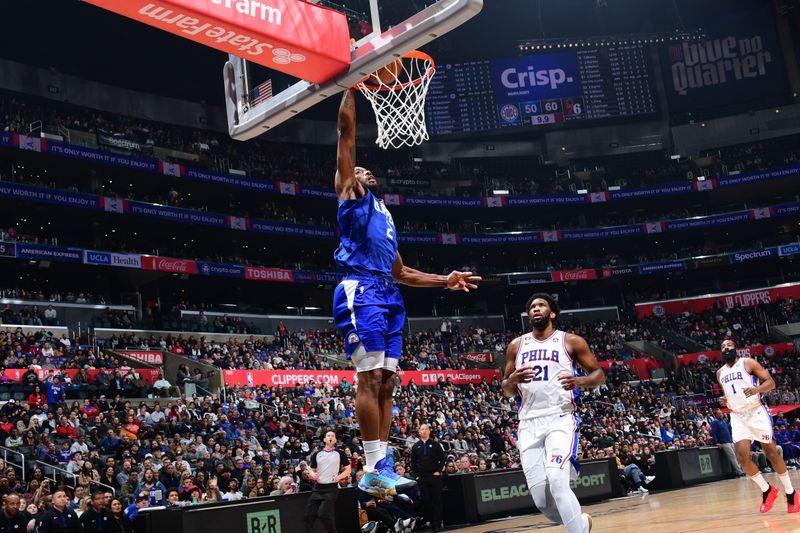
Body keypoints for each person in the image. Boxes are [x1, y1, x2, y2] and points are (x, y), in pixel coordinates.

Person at [332, 85, 480, 499]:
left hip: (388, 293)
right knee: (370, 375)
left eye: (365, 171)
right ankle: (371, 466)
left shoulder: (385, 213)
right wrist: (351, 84)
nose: (363, 171)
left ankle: (382, 466)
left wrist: (445, 280)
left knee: (388, 382)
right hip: (360, 290)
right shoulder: (349, 194)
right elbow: (345, 132)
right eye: (357, 170)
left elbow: (403, 272)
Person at [502, 294, 605, 533]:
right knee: (542, 501)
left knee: (558, 482)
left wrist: (579, 381)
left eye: (541, 305)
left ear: (552, 313)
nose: (536, 309)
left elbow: (599, 374)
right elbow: (506, 389)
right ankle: (580, 524)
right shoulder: (516, 346)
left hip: (560, 417)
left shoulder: (570, 341)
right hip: (528, 423)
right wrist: (512, 380)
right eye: (532, 307)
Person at [716, 338, 799, 513]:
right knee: (742, 458)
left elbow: (771, 383)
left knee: (771, 453)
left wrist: (756, 390)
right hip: (737, 415)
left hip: (756, 412)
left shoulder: (748, 363)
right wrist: (724, 400)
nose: (725, 348)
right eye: (723, 347)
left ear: (736, 349)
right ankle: (767, 490)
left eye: (729, 345)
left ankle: (791, 494)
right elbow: (729, 393)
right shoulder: (720, 373)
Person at [304, 431, 352, 533]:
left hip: (331, 488)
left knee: (322, 515)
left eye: (333, 436)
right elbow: (311, 469)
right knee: (308, 516)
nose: (330, 437)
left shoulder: (340, 453)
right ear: (324, 439)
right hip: (318, 488)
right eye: (328, 435)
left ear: (335, 440)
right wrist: (313, 475)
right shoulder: (317, 454)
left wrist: (339, 477)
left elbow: (348, 470)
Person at [411, 424, 445, 532]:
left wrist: (438, 471)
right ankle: (429, 521)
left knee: (436, 500)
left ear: (429, 431)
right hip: (422, 478)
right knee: (426, 500)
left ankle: (437, 523)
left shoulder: (435, 444)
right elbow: (413, 463)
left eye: (426, 429)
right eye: (422, 429)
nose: (424, 431)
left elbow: (442, 459)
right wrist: (416, 475)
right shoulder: (416, 446)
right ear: (419, 432)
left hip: (434, 477)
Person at [710, 408, 745, 477]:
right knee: (732, 457)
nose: (721, 414)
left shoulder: (723, 421)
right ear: (716, 415)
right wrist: (716, 442)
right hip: (724, 442)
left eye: (721, 413)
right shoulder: (715, 422)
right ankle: (739, 472)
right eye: (719, 413)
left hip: (730, 441)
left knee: (737, 456)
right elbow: (713, 432)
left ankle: (741, 470)